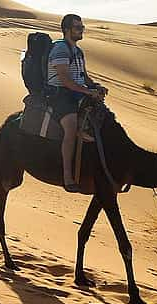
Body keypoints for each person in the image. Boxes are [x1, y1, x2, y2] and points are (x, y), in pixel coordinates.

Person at [47, 13, 107, 192]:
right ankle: (67, 175)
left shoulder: (77, 51)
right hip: (60, 96)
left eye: (82, 27)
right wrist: (88, 91)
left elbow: (83, 77)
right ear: (67, 30)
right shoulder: (60, 49)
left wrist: (96, 86)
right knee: (71, 126)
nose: (82, 31)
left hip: (77, 94)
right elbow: (65, 80)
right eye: (78, 28)